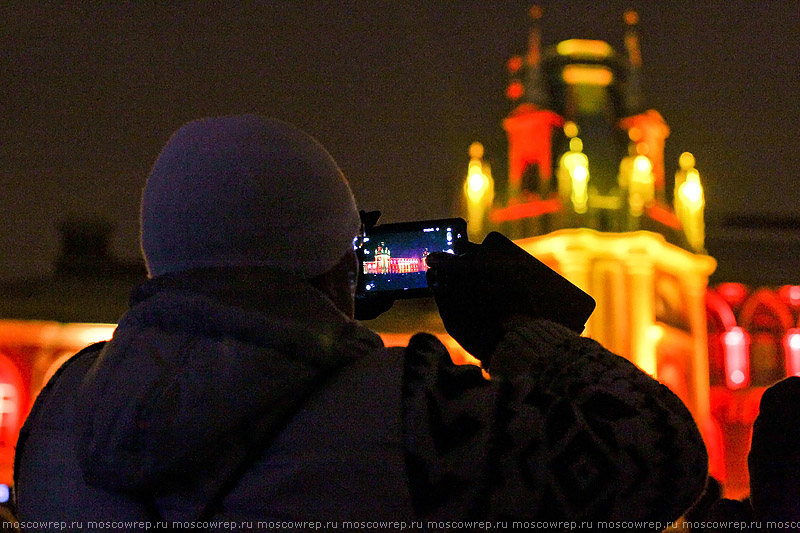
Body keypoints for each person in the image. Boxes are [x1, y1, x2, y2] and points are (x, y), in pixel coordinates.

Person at [15, 114, 707, 529]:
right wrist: (517, 335)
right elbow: (663, 457)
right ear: (336, 266)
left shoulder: (58, 415)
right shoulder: (405, 412)